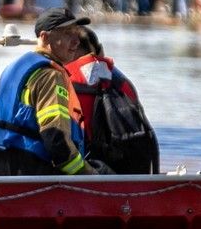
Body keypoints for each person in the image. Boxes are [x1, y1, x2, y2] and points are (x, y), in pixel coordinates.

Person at [0, 8, 95, 176]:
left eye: (77, 34)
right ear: (45, 37)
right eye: (67, 34)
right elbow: (55, 137)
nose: (76, 42)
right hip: (30, 169)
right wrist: (88, 175)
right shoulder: (51, 76)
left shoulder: (14, 68)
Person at [65, 26, 160, 173]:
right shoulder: (122, 81)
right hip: (130, 170)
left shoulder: (65, 78)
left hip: (88, 169)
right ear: (100, 50)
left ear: (71, 49)